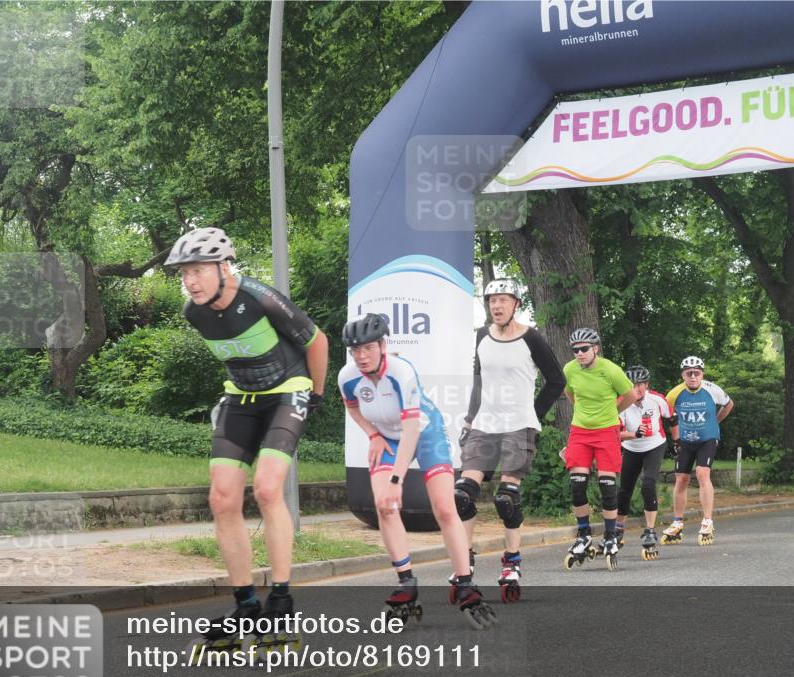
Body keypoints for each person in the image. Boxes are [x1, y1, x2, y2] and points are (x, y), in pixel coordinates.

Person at [164, 227, 329, 640]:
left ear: (224, 267)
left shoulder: (260, 297)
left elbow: (317, 341)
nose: (190, 281)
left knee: (268, 489)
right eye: (185, 273)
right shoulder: (193, 312)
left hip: (288, 392)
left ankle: (281, 598)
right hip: (242, 398)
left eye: (198, 270)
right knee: (221, 497)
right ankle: (246, 606)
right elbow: (237, 355)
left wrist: (317, 394)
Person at [338, 313, 496, 628]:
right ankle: (407, 584)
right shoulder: (347, 377)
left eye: (367, 348)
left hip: (425, 434)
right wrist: (372, 435)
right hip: (388, 439)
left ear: (382, 345)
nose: (361, 356)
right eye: (355, 350)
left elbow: (411, 430)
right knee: (384, 506)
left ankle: (465, 585)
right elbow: (352, 408)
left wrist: (397, 479)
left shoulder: (401, 371)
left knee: (444, 508)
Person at [455, 279, 565, 602]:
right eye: (492, 301)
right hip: (485, 424)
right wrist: (469, 417)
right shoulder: (481, 337)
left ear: (516, 303)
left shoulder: (531, 338)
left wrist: (533, 412)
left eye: (503, 300)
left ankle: (511, 561)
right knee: (462, 494)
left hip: (519, 426)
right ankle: (465, 559)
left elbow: (557, 380)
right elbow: (479, 381)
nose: (497, 306)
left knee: (506, 498)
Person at [561, 327, 639, 571]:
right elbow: (570, 394)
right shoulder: (569, 369)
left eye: (584, 349)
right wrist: (584, 414)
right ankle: (583, 534)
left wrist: (612, 412)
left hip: (606, 432)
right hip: (580, 431)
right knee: (577, 484)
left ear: (596, 348)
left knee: (607, 486)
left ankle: (609, 535)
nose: (579, 354)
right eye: (575, 350)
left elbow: (631, 394)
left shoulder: (610, 370)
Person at [663, 356, 734, 546]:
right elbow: (669, 416)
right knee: (681, 479)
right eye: (689, 373)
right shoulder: (674, 394)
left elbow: (729, 404)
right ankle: (677, 521)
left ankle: (707, 520)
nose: (693, 376)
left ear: (702, 374)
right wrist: (675, 439)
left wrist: (716, 422)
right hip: (686, 440)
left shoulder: (712, 389)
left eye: (697, 373)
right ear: (683, 375)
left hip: (708, 439)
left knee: (702, 473)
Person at [616, 365, 677, 560]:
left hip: (654, 445)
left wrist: (677, 443)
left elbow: (672, 419)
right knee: (624, 489)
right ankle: (618, 530)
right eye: (633, 385)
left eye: (640, 384)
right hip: (632, 447)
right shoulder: (621, 403)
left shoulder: (657, 399)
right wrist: (634, 434)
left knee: (649, 483)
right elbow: (616, 434)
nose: (637, 388)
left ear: (646, 385)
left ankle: (650, 529)